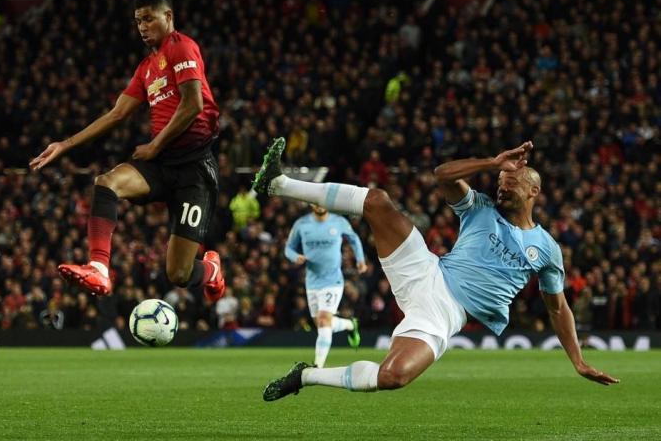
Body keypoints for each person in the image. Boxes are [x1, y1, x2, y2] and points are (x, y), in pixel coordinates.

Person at [252, 138, 618, 401]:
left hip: (443, 312)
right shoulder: (480, 208)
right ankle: (278, 183)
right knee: (377, 201)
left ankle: (306, 375)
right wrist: (492, 163)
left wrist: (578, 360)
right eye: (501, 184)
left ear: (534, 191)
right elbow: (442, 174)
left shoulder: (548, 250)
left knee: (394, 377)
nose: (502, 191)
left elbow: (558, 308)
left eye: (512, 186)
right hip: (426, 270)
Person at [29, 0, 224, 302]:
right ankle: (99, 269)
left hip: (194, 170)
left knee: (178, 274)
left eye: (149, 19)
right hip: (162, 164)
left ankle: (212, 271)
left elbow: (193, 104)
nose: (143, 27)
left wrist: (155, 145)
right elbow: (117, 113)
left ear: (168, 16)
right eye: (138, 21)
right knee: (106, 183)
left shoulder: (182, 47)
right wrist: (65, 145)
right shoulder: (147, 67)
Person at [285, 203, 367, 368]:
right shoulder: (302, 224)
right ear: (310, 203)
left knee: (323, 321)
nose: (319, 204)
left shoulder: (338, 221)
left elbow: (354, 239)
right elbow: (289, 248)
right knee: (322, 324)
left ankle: (317, 366)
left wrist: (360, 259)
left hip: (333, 280)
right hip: (312, 282)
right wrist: (295, 257)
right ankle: (350, 324)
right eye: (315, 201)